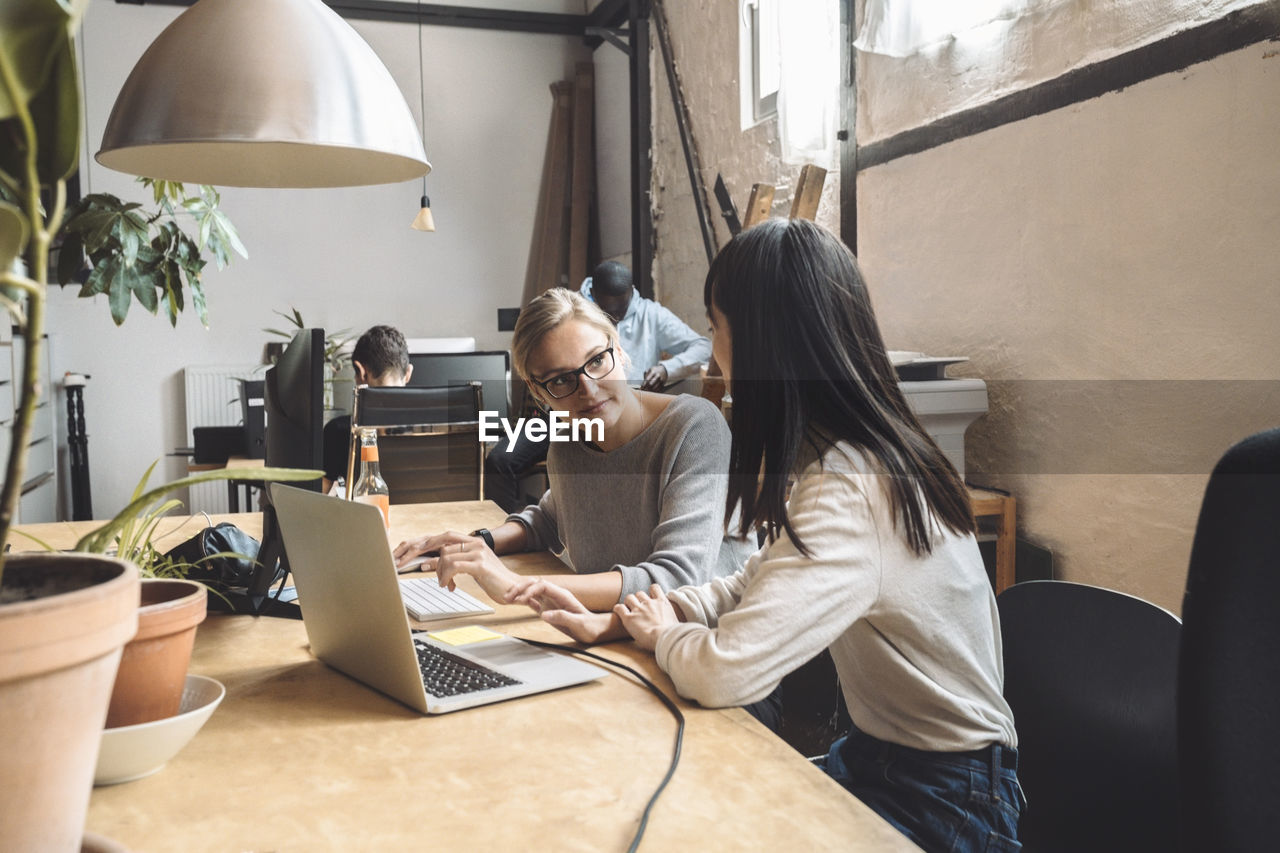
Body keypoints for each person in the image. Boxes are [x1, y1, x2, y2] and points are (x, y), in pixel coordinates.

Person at [516, 219, 1023, 852]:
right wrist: (635, 617)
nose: (711, 345)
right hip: (885, 762)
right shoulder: (850, 459)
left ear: (760, 341)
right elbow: (754, 580)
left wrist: (663, 632)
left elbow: (726, 673)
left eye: (715, 324)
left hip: (945, 802)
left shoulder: (851, 486)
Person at [392, 287, 752, 615]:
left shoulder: (693, 428)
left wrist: (517, 585)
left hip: (708, 645)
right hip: (622, 636)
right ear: (538, 392)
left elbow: (677, 580)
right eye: (561, 379)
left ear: (619, 349)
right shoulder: (568, 442)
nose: (589, 389)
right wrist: (473, 545)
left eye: (596, 360)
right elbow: (551, 517)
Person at [580, 260, 711, 392]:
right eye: (608, 311)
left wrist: (666, 370)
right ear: (593, 293)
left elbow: (705, 349)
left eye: (622, 309)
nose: (617, 317)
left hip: (639, 404)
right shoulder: (575, 316)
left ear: (631, 291)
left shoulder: (651, 314)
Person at [321, 325, 412, 491]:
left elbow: (319, 498)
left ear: (361, 372)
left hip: (368, 516)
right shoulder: (440, 424)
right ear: (408, 373)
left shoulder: (340, 431)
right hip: (434, 516)